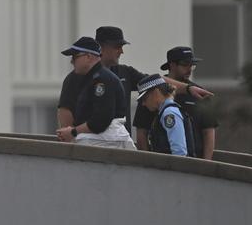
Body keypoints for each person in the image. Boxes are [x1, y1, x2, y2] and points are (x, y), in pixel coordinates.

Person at [56, 26, 211, 149]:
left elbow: (156, 81)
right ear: (102, 48)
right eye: (117, 46)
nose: (121, 51)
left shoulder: (124, 72)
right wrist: (71, 140)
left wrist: (188, 89)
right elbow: (65, 112)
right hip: (89, 146)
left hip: (118, 146)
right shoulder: (75, 78)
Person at [135, 46, 219, 158]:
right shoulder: (151, 92)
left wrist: (206, 164)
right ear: (172, 65)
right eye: (185, 64)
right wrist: (146, 162)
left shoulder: (199, 95)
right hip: (164, 162)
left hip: (187, 162)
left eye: (192, 65)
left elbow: (208, 131)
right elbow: (142, 132)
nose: (189, 69)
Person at [54, 37, 136, 149]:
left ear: (88, 57)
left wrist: (73, 132)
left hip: (106, 141)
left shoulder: (102, 80)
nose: (72, 61)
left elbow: (101, 120)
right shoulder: (92, 78)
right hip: (99, 139)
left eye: (75, 57)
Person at [135, 73, 195, 157]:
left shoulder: (169, 113)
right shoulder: (165, 112)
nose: (143, 103)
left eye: (145, 98)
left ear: (156, 92)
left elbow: (179, 152)